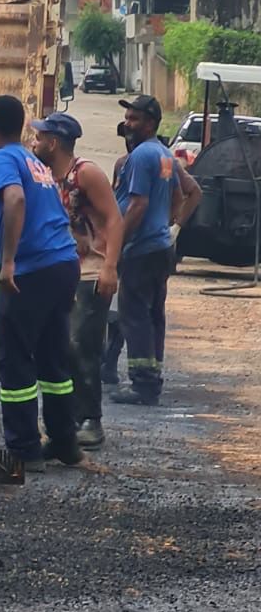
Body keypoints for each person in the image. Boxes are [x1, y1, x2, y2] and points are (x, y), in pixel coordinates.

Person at [0, 94, 82, 472]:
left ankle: (24, 449)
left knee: (14, 355)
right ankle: (64, 441)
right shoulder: (31, 159)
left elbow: (16, 199)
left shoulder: (1, 158)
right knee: (53, 355)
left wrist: (7, 262)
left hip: (33, 268)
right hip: (62, 263)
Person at [30, 111, 123, 449]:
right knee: (59, 348)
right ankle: (66, 421)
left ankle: (91, 422)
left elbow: (115, 219)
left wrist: (110, 266)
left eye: (40, 137)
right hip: (60, 271)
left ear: (54, 142)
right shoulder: (43, 175)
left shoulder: (85, 173)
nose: (34, 141)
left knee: (82, 346)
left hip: (90, 273)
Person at [112, 94, 202, 407]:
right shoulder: (164, 155)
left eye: (134, 119)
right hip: (160, 247)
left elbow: (137, 204)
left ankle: (143, 385)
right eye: (128, 118)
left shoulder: (141, 156)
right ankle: (153, 378)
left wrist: (117, 244)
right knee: (153, 316)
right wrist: (168, 227)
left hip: (141, 250)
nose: (127, 124)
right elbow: (179, 195)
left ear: (150, 124)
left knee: (134, 315)